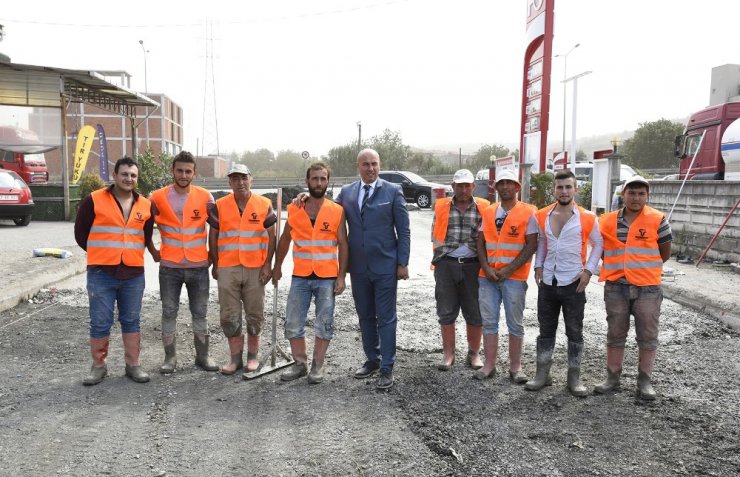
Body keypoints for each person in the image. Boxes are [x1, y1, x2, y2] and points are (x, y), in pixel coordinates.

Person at [74, 157, 155, 385]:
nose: (129, 179)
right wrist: (99, 255)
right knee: (100, 321)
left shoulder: (146, 205)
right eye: (125, 174)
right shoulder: (94, 200)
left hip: (133, 273)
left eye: (133, 175)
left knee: (132, 320)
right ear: (115, 175)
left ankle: (133, 365)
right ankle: (98, 367)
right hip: (101, 272)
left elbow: (145, 236)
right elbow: (81, 233)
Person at [525, 169, 603, 396]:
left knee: (575, 331)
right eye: (560, 187)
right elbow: (541, 242)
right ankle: (542, 374)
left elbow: (598, 244)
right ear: (554, 190)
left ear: (575, 189)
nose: (564, 191)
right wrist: (538, 265)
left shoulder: (587, 217)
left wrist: (589, 271)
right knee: (545, 329)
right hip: (548, 281)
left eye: (568, 187)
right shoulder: (542, 215)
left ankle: (573, 378)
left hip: (574, 282)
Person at [337, 148, 410, 390]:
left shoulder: (392, 190)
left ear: (380, 165)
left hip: (386, 266)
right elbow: (328, 212)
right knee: (365, 315)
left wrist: (402, 263)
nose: (371, 168)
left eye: (375, 164)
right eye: (366, 164)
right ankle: (372, 359)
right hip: (358, 267)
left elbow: (404, 230)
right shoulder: (346, 193)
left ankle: (387, 366)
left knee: (386, 318)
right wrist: (304, 199)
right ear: (358, 166)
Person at [594, 175, 672, 400]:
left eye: (641, 194)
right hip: (616, 286)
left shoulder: (658, 220)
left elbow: (664, 253)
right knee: (615, 333)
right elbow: (600, 250)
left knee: (647, 335)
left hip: (647, 288)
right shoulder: (607, 220)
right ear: (623, 194)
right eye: (632, 193)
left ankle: (644, 381)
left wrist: (641, 269)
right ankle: (612, 377)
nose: (636, 198)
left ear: (647, 196)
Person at [272, 162, 349, 383]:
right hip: (301, 276)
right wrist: (277, 266)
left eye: (323, 178)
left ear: (328, 181)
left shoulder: (337, 211)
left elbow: (343, 244)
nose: (319, 182)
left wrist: (342, 276)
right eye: (315, 178)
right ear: (307, 181)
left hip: (327, 278)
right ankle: (299, 363)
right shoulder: (295, 208)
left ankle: (318, 365)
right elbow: (285, 239)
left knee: (324, 322)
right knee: (294, 321)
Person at [148, 151, 219, 374]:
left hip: (198, 266)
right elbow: (143, 227)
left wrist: (212, 257)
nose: (183, 175)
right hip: (170, 266)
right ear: (172, 171)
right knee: (169, 311)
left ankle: (203, 356)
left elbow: (215, 228)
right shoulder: (156, 198)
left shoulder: (206, 197)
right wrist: (153, 252)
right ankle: (170, 358)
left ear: (194, 173)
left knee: (200, 312)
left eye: (188, 171)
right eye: (179, 170)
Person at [208, 163, 277, 375]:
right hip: (228, 267)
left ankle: (253, 357)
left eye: (243, 178)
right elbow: (213, 236)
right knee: (229, 314)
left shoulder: (264, 204)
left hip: (256, 267)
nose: (240, 182)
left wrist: (268, 264)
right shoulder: (219, 205)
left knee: (255, 314)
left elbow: (272, 237)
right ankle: (235, 359)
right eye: (235, 179)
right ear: (229, 182)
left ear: (251, 179)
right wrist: (216, 263)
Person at [474, 169, 538, 382]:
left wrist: (508, 270)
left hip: (514, 278)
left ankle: (515, 367)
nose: (505, 187)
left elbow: (531, 246)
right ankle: (489, 365)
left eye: (510, 183)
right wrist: (487, 267)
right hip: (488, 276)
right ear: (496, 187)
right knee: (489, 321)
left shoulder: (529, 212)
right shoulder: (489, 211)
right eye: (502, 183)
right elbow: (480, 243)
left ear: (517, 187)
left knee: (515, 323)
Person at [431, 169, 490, 371]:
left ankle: (474, 354)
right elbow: (435, 234)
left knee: (475, 311)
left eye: (467, 185)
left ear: (473, 186)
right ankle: (449, 354)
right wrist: (439, 261)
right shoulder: (441, 207)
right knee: (446, 311)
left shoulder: (485, 207)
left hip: (474, 266)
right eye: (459, 186)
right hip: (446, 264)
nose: (463, 190)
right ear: (453, 187)